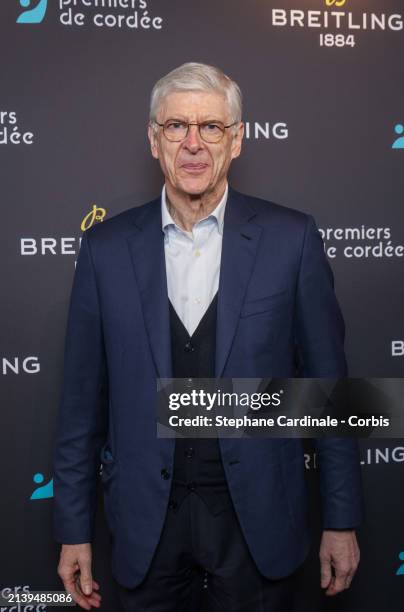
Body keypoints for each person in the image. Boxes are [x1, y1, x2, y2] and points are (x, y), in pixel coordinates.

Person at [53, 62, 363, 612]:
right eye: (176, 127)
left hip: (258, 527)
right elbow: (81, 407)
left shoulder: (292, 240)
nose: (193, 144)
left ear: (237, 140)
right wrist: (74, 528)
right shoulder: (104, 249)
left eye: (211, 128)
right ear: (154, 139)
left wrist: (341, 521)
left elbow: (329, 395)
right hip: (146, 528)